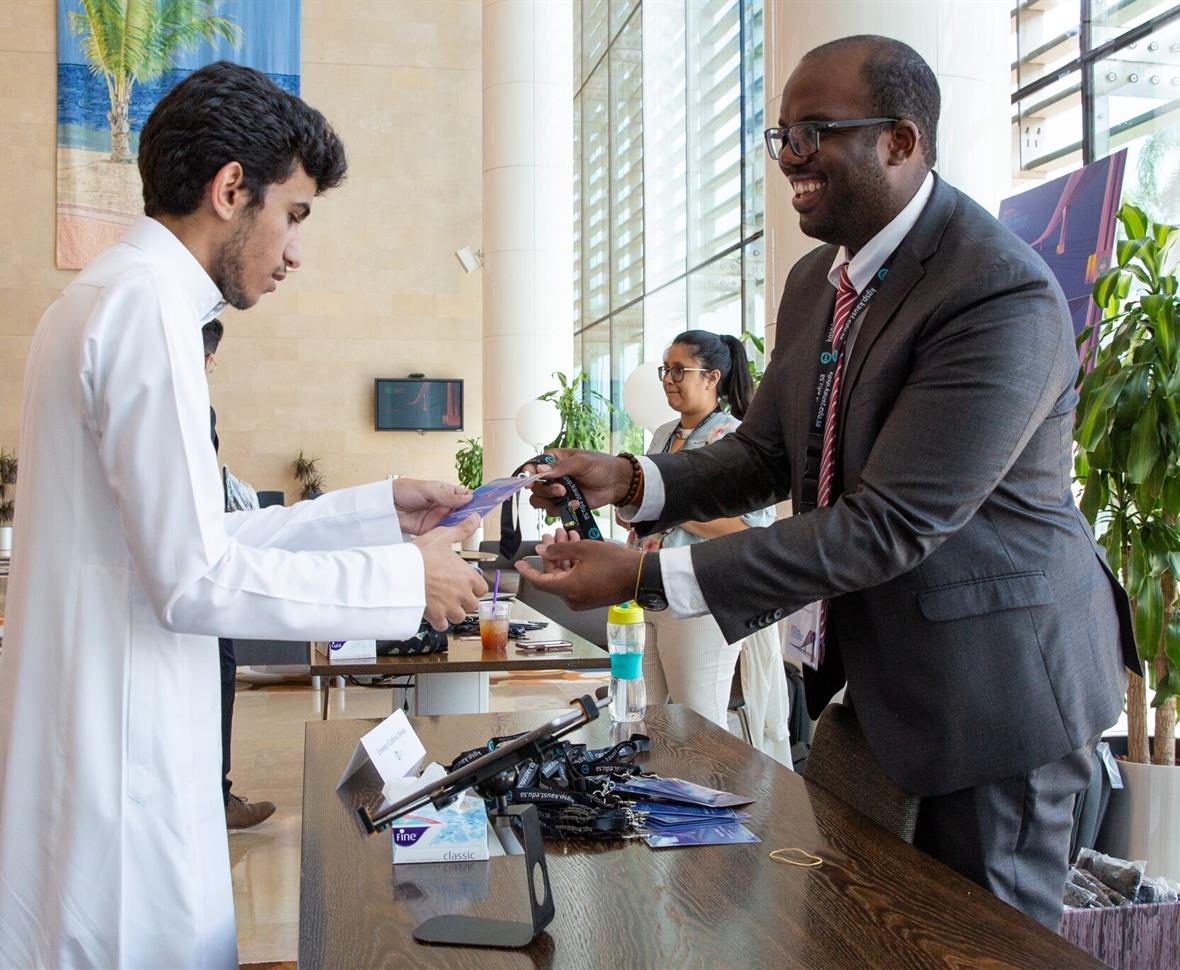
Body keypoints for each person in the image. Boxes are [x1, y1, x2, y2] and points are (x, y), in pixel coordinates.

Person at [518, 35, 1138, 929]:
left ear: (900, 139)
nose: (790, 160)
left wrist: (648, 577)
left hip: (998, 696)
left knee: (980, 941)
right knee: (855, 924)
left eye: (815, 134)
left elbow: (890, 523)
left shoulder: (998, 293)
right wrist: (628, 478)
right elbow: (769, 452)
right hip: (876, 688)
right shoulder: (819, 280)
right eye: (782, 137)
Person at [0, 61, 485, 970]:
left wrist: (377, 513)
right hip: (120, 770)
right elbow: (195, 579)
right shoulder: (146, 310)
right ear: (232, 190)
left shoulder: (114, 296)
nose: (296, 251)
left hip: (114, 735)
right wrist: (401, 582)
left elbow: (195, 540)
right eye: (293, 214)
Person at [632, 331, 789, 759]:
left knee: (697, 725)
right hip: (647, 589)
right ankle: (655, 813)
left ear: (713, 377)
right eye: (666, 369)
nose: (668, 379)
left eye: (680, 370)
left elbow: (747, 531)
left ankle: (712, 821)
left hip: (702, 596)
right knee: (640, 720)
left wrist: (672, 507)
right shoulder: (664, 433)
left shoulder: (736, 439)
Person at [202, 318, 276, 829]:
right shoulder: (190, 409)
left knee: (220, 672)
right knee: (217, 672)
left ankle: (213, 792)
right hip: (200, 573)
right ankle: (213, 796)